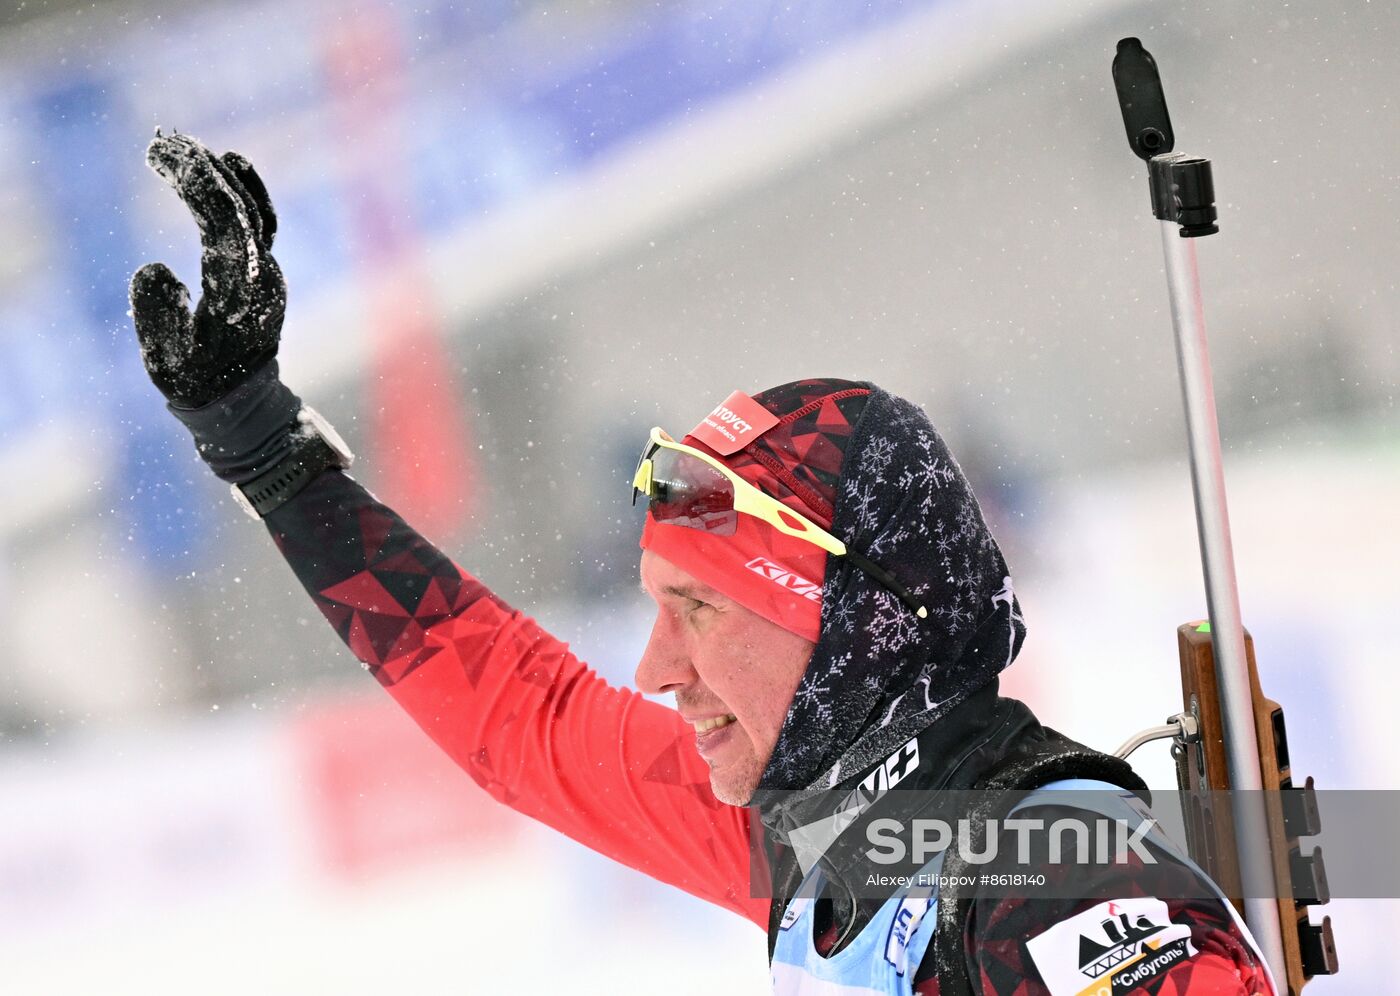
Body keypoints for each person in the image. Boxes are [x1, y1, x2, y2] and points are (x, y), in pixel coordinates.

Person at [129, 133, 1276, 995]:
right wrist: (272, 459)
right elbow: (519, 721)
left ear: (847, 627)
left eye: (702, 611)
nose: (654, 666)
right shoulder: (817, 837)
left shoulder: (1051, 876)